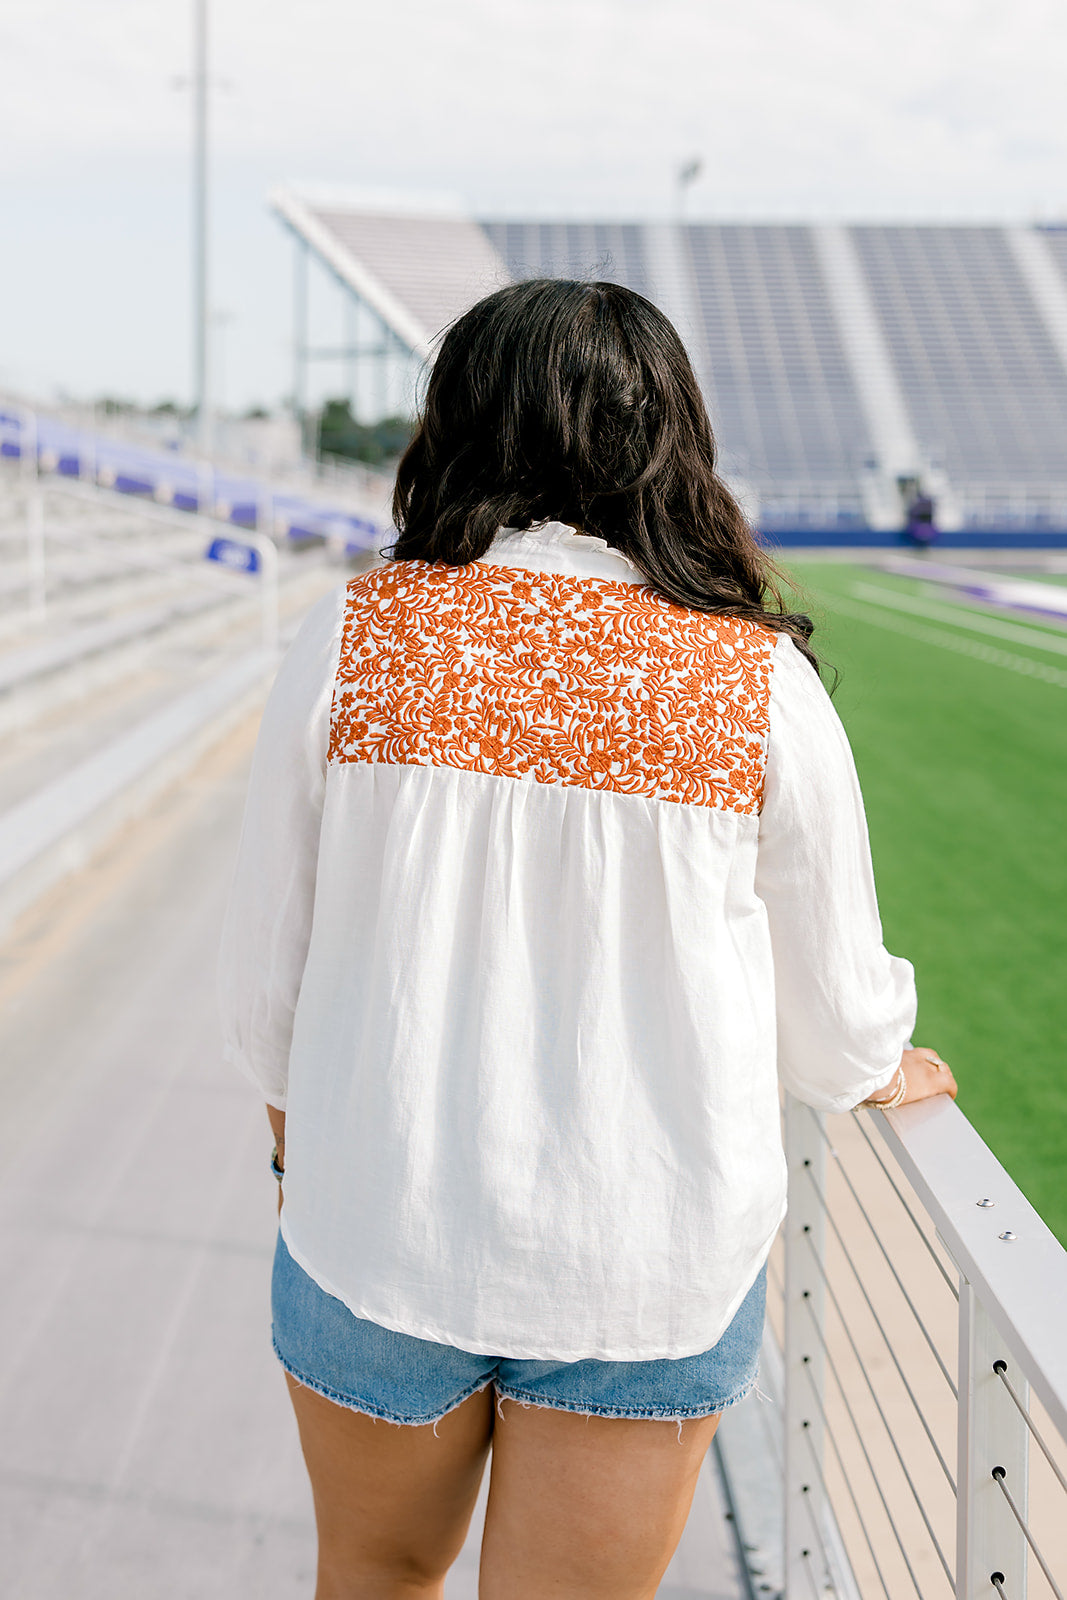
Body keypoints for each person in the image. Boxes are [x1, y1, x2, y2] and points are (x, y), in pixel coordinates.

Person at [218, 279, 957, 1600]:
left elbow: (264, 985)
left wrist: (301, 1154)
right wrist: (878, 1063)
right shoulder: (757, 682)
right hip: (647, 1263)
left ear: (456, 425)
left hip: (376, 1225)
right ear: (672, 437)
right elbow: (838, 1023)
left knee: (373, 1573)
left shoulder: (356, 635)